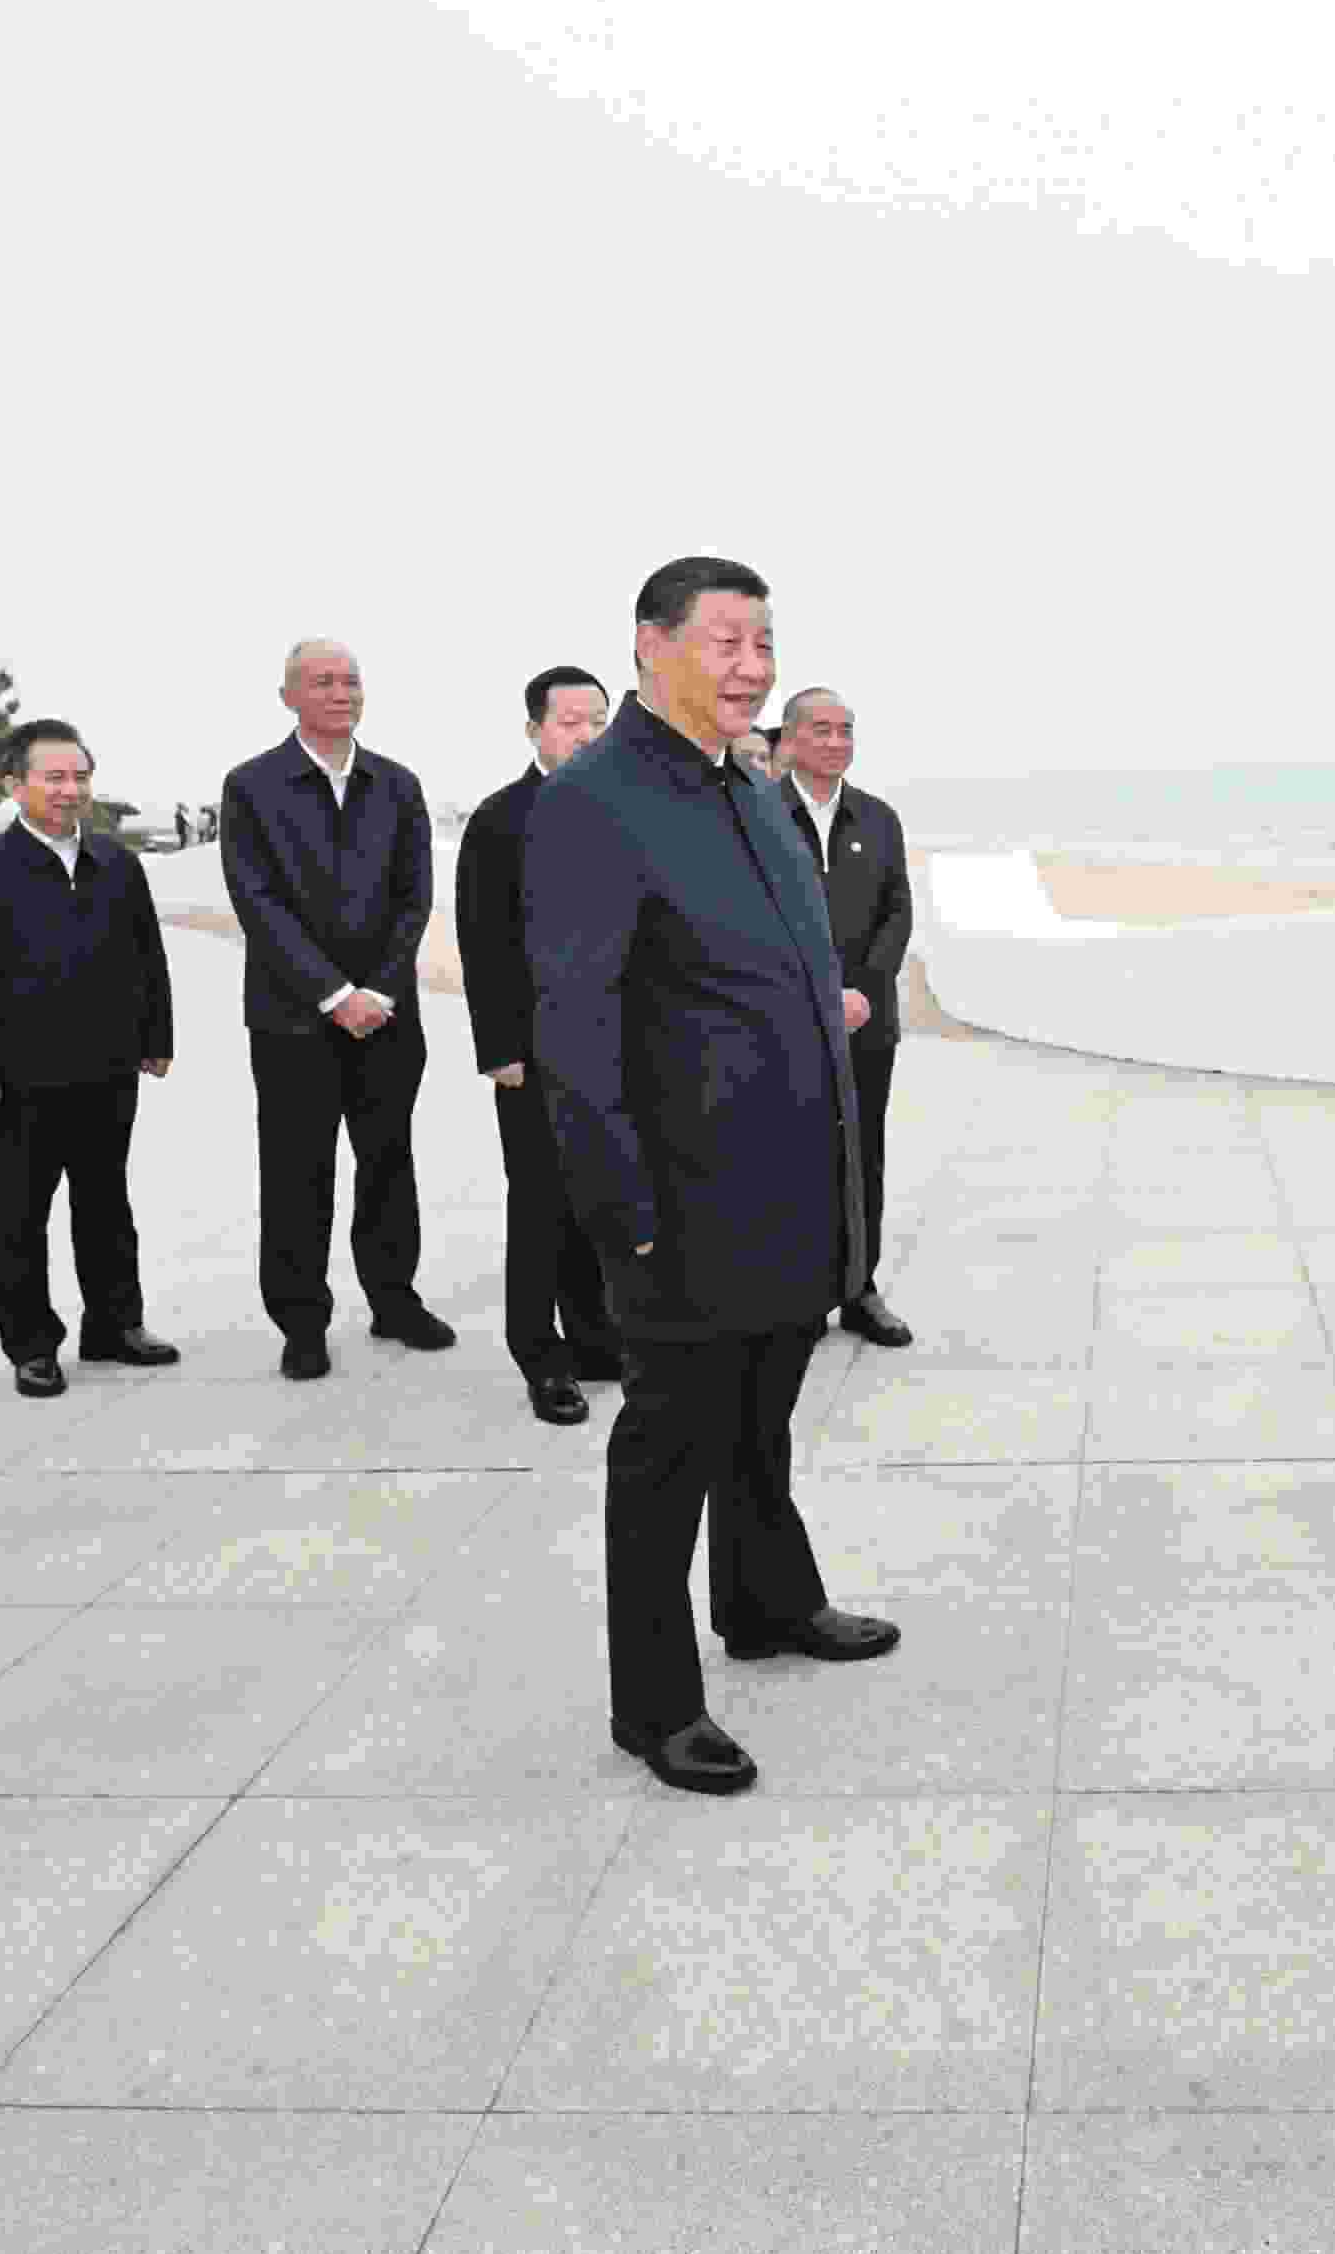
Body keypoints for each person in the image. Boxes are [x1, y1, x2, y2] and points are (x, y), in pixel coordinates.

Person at [528, 556, 896, 1799]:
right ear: (652, 644)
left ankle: (766, 1600)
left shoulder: (750, 787)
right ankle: (655, 1705)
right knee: (667, 1452)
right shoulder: (597, 800)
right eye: (727, 642)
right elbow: (576, 1025)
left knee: (761, 1419)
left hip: (789, 1180)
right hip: (678, 1204)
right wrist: (620, 1212)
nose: (753, 668)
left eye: (765, 643)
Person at [219, 637, 454, 1378]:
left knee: (388, 1162)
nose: (341, 693)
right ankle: (302, 1323)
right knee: (297, 1172)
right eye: (322, 681)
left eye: (351, 681)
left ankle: (394, 1300)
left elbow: (415, 895)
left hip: (387, 1015)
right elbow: (258, 903)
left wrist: (379, 990)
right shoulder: (252, 786)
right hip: (292, 1019)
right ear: (288, 696)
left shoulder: (397, 785)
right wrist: (332, 992)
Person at [0, 718, 182, 1400]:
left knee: (107, 1206)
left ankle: (115, 1325)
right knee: (21, 1217)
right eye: (54, 777)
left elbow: (148, 956)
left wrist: (156, 1036)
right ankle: (32, 1345)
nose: (71, 790)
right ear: (15, 786)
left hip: (109, 1069)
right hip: (21, 1080)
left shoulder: (118, 865)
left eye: (80, 777)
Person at [454, 664, 623, 1425]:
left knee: (597, 1203)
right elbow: (482, 941)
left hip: (614, 1049)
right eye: (570, 722)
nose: (586, 736)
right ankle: (539, 1354)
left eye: (598, 721)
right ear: (534, 730)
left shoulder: (624, 810)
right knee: (540, 1208)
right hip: (535, 1051)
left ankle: (594, 1338)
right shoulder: (500, 819)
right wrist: (499, 1048)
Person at [776, 685, 917, 1347]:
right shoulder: (759, 814)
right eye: (822, 730)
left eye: (846, 730)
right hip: (786, 1024)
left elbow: (897, 911)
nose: (837, 743)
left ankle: (860, 1290)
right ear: (790, 739)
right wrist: (817, 994)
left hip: (866, 1022)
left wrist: (861, 990)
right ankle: (799, 1296)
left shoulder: (878, 819)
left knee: (865, 1158)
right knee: (796, 1160)